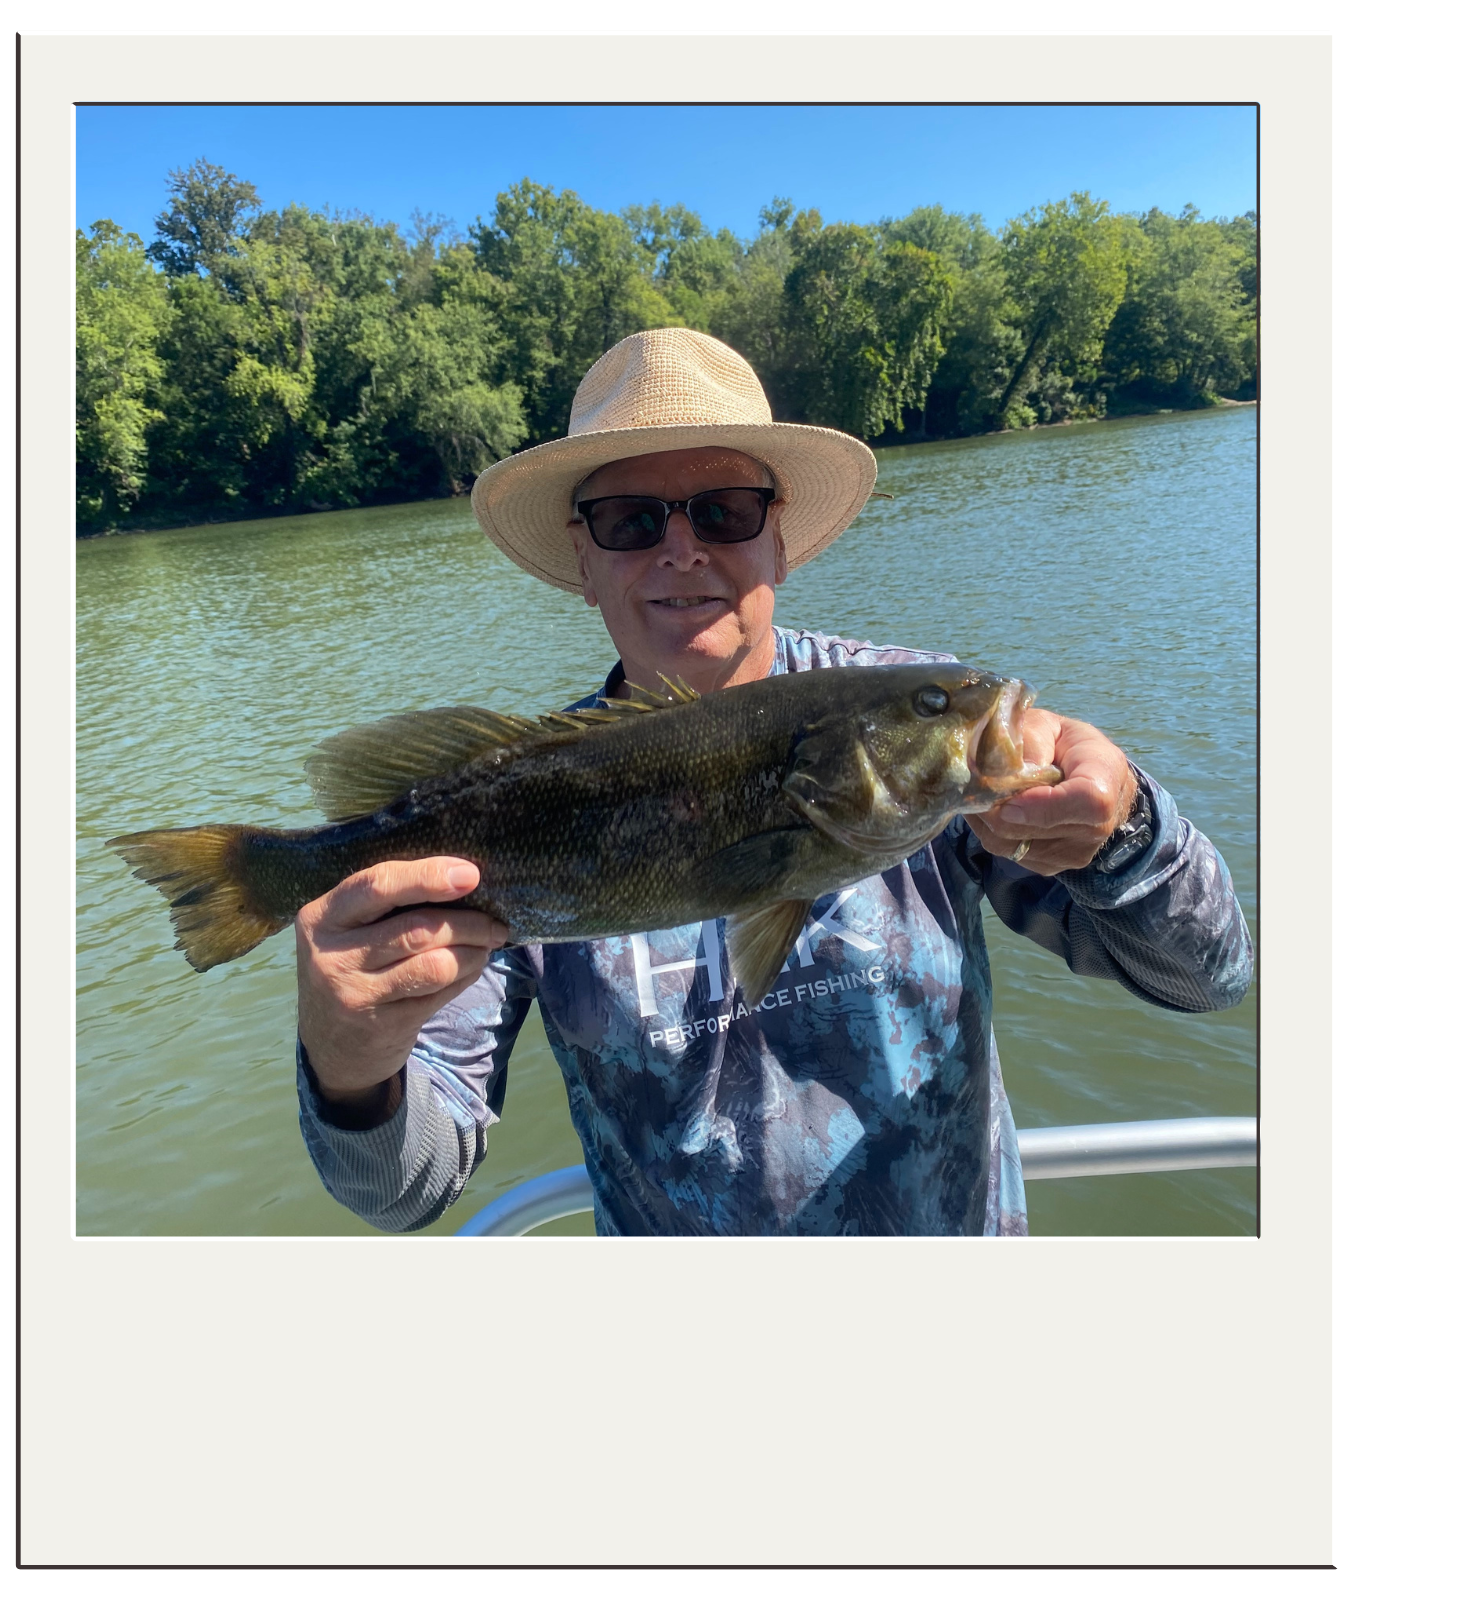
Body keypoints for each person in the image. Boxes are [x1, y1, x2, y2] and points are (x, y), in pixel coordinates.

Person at [292, 328, 1253, 1236]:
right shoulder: (510, 799)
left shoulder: (927, 726)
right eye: (630, 520)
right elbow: (402, 1194)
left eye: (724, 510)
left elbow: (1207, 979)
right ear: (584, 562)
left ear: (778, 538)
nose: (681, 549)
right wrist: (350, 1062)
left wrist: (1126, 830)